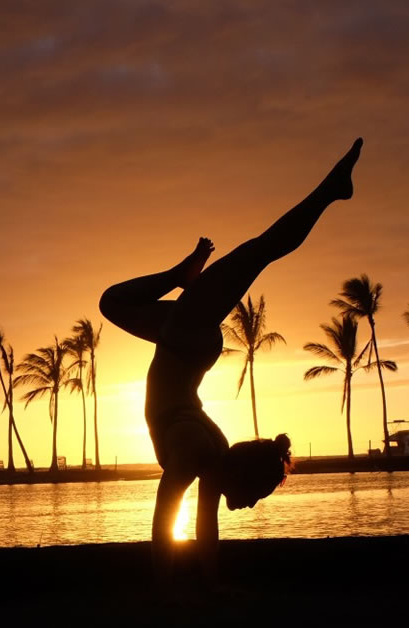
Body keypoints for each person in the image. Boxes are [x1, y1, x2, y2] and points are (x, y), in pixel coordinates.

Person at [99, 138, 361, 581]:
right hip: (185, 342)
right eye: (256, 496)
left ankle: (183, 276)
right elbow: (184, 527)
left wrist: (184, 591)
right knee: (257, 252)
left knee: (116, 303)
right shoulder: (206, 454)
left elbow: (178, 525)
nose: (250, 506)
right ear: (238, 476)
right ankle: (328, 191)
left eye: (257, 498)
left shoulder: (200, 456)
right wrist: (187, 591)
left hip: (186, 345)